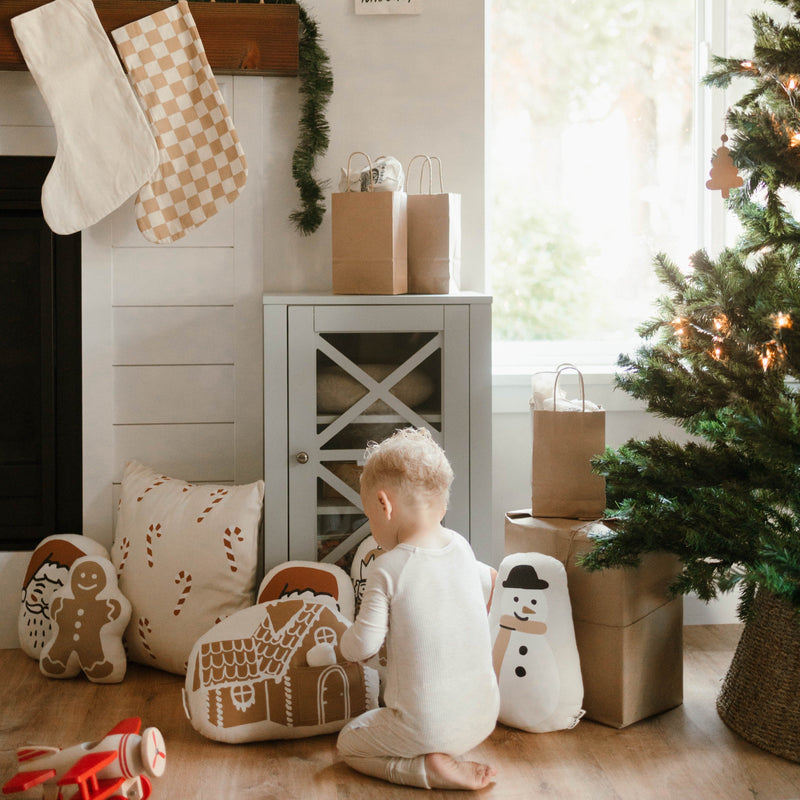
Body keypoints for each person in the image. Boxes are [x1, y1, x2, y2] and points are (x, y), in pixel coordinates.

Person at [337, 427, 500, 790]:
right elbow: (486, 584)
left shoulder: (387, 568)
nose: (373, 526)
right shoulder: (461, 547)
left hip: (427, 726)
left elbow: (362, 647)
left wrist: (341, 642)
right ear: (441, 503)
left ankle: (427, 769)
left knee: (349, 742)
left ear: (384, 504)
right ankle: (444, 753)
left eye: (370, 516)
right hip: (483, 716)